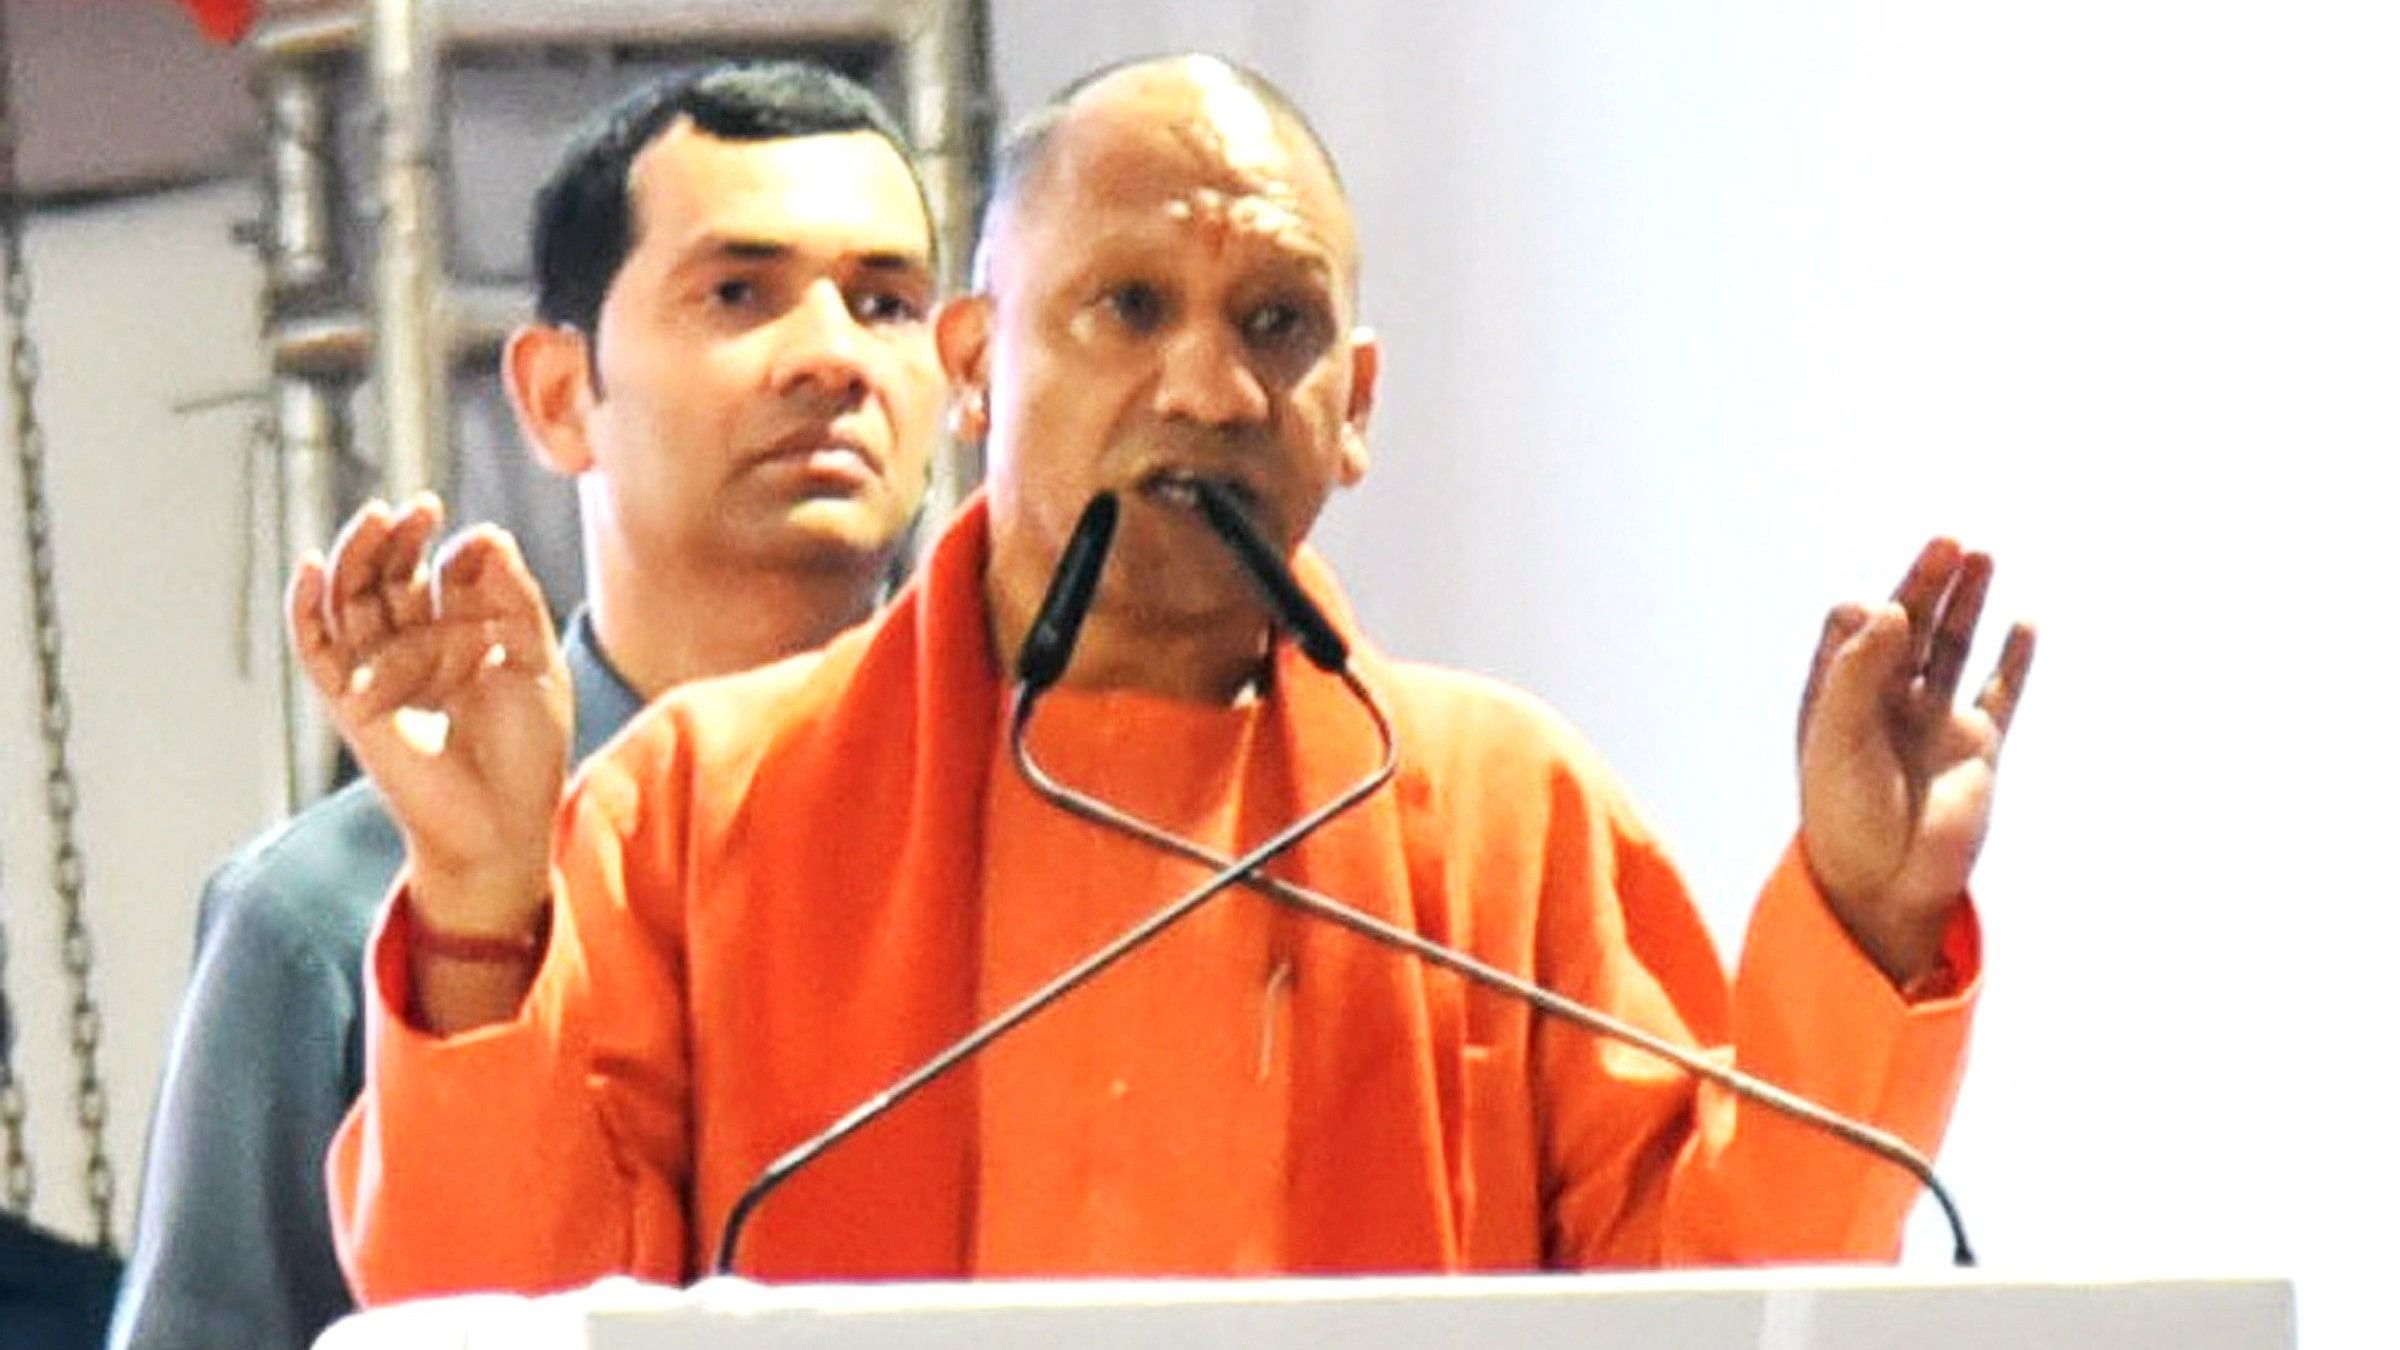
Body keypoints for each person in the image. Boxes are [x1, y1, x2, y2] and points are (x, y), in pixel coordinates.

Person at [311, 53, 2036, 1300]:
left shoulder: (1503, 810)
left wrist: (1865, 924)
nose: (1207, 388)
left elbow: (1725, 1298)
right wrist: (477, 909)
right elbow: (497, 1321)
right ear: (977, 364)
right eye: (1128, 308)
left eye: (1275, 325)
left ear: (1355, 405)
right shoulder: (705, 801)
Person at [108, 59, 944, 1350]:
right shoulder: (334, 911)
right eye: (740, 292)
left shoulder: (1014, 835)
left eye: (885, 301)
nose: (834, 355)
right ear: (559, 394)